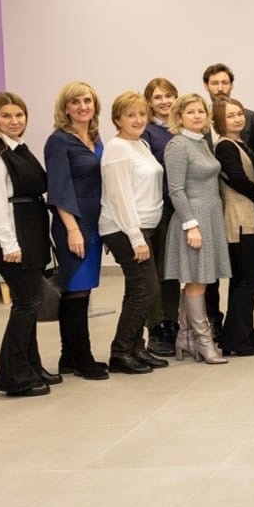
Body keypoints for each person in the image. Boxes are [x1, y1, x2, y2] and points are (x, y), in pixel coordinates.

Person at [0, 92, 56, 396]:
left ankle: (31, 366)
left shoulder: (20, 149)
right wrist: (9, 245)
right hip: (11, 240)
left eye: (19, 115)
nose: (14, 121)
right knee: (27, 303)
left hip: (31, 234)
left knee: (30, 304)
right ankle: (15, 377)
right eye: (6, 116)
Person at [98, 92, 167, 374]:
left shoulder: (140, 144)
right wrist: (136, 237)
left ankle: (136, 348)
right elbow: (120, 198)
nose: (138, 120)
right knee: (145, 289)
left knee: (138, 289)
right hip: (123, 228)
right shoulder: (117, 149)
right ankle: (120, 352)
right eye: (130, 115)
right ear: (117, 120)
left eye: (141, 114)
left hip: (143, 226)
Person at [161, 93, 232, 365]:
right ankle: (204, 341)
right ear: (179, 117)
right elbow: (176, 190)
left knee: (197, 280)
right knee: (197, 281)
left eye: (200, 111)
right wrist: (191, 225)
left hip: (210, 215)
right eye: (190, 112)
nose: (197, 115)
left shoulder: (201, 141)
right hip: (193, 219)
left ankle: (185, 337)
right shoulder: (178, 145)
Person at [45, 81, 108, 380]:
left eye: (87, 100)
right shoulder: (58, 141)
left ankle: (68, 357)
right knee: (76, 289)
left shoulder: (95, 137)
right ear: (65, 108)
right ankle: (83, 358)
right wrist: (72, 229)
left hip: (95, 222)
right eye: (75, 102)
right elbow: (58, 189)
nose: (83, 106)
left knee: (81, 289)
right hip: (74, 223)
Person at [213, 97, 254, 356]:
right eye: (230, 115)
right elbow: (236, 178)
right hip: (238, 221)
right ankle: (236, 339)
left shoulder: (238, 142)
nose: (237, 119)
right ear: (219, 120)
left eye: (239, 114)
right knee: (251, 277)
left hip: (246, 217)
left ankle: (242, 334)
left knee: (242, 279)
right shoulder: (225, 145)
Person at [141, 77, 180, 356]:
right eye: (158, 97)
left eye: (168, 95)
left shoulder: (181, 129)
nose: (164, 101)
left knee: (174, 271)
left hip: (182, 208)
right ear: (149, 102)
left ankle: (172, 322)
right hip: (161, 209)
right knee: (158, 271)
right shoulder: (147, 133)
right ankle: (155, 328)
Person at [203, 63, 254, 156]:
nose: (220, 88)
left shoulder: (249, 116)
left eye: (225, 83)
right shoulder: (201, 118)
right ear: (206, 86)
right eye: (215, 83)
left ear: (231, 85)